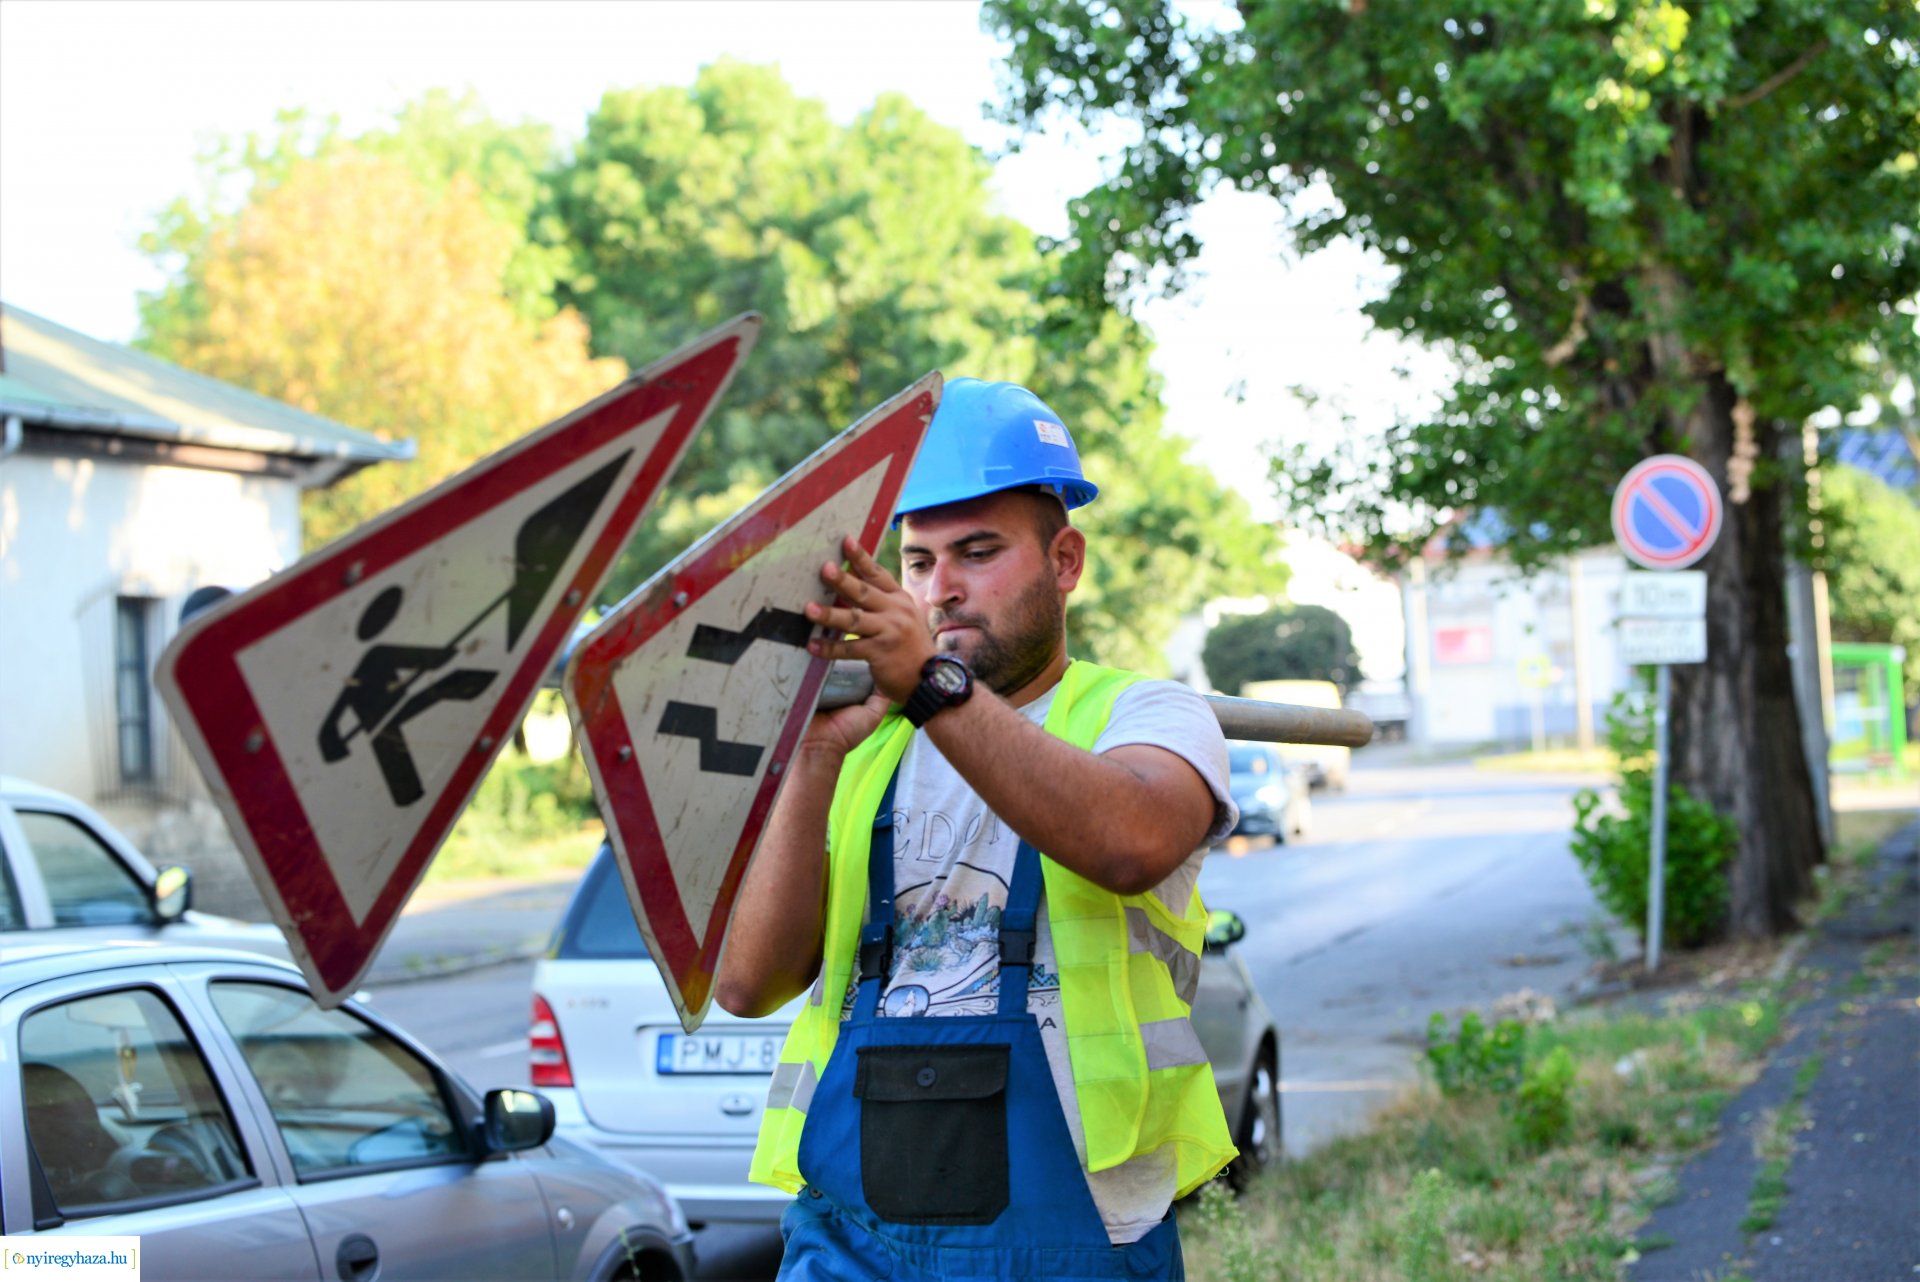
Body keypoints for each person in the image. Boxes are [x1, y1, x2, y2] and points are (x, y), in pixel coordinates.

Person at [717, 378, 1240, 1281]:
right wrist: (810, 762)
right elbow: (748, 983)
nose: (942, 588)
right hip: (851, 1237)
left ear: (1066, 561)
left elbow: (1131, 842)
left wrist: (930, 687)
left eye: (978, 552)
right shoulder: (860, 748)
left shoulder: (1147, 714)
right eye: (918, 563)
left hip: (1079, 1235)